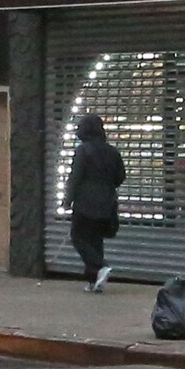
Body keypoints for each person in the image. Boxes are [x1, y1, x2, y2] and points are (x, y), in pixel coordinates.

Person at [63, 113, 125, 292]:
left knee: (78, 238)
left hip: (85, 203)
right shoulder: (112, 151)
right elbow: (121, 176)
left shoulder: (83, 150)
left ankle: (100, 267)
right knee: (96, 240)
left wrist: (68, 200)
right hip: (107, 203)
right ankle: (94, 282)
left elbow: (75, 177)